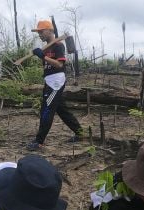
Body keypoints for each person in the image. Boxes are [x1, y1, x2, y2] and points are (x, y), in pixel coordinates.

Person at [26, 19, 83, 151]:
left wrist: (43, 57)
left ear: (50, 30)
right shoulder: (46, 47)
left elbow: (59, 64)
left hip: (56, 81)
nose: (39, 34)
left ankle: (39, 141)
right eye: (38, 32)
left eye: (41, 31)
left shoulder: (58, 45)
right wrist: (41, 54)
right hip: (49, 81)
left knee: (46, 109)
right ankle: (80, 133)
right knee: (61, 109)